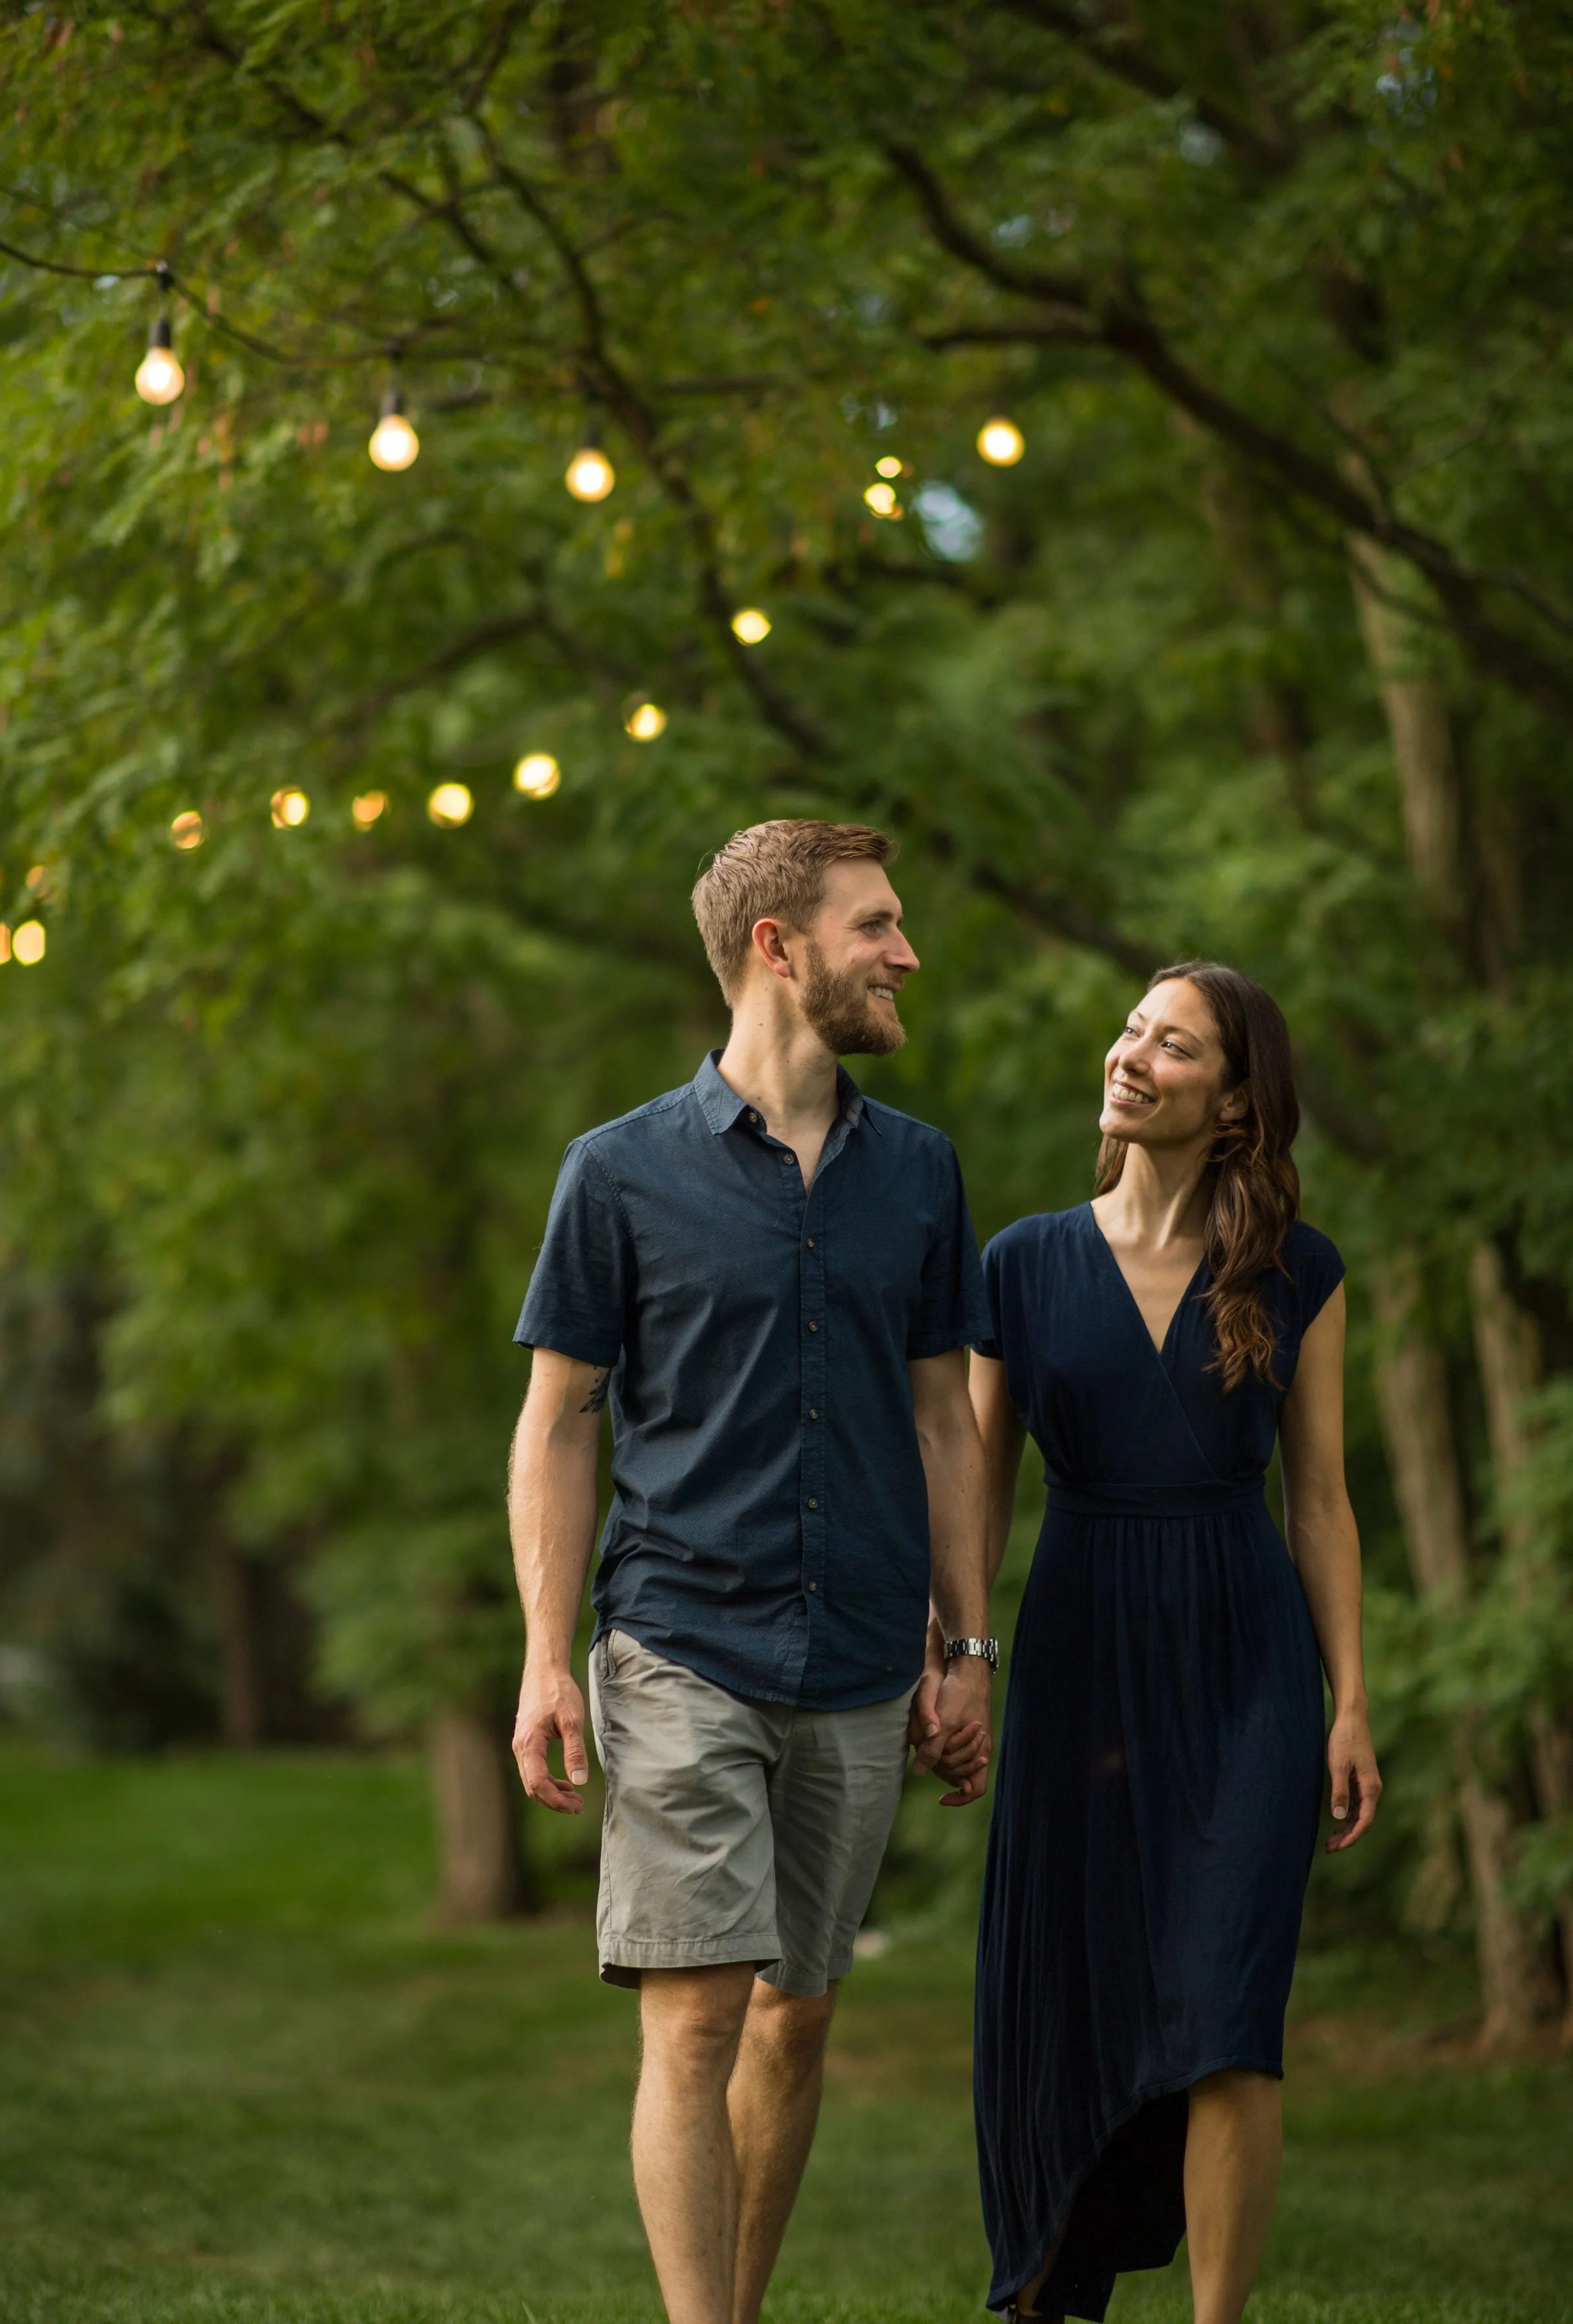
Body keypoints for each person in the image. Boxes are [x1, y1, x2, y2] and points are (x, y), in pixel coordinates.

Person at [508, 818, 995, 2324]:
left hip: (855, 1656)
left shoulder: (916, 1174)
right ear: (777, 949)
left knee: (795, 2019)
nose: (904, 953)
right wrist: (542, 1654)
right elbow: (556, 1423)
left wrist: (968, 1650)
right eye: (875, 926)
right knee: (701, 2015)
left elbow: (943, 1421)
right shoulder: (617, 1175)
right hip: (677, 1639)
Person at [966, 960, 1382, 2324]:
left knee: (1228, 2015)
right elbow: (970, 1490)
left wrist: (1348, 1702)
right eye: (1131, 1030)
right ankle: (1044, 2284)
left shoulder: (1297, 1271)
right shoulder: (1018, 1265)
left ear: (1234, 1099)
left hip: (1246, 1661)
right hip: (1080, 1653)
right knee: (1065, 1993)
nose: (1132, 1055)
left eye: (1175, 1045)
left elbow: (1317, 1500)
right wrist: (954, 1659)